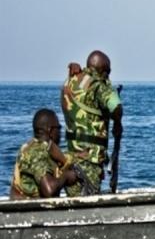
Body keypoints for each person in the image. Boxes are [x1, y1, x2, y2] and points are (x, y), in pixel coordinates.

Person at [61, 50, 123, 196]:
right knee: (89, 202)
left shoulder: (69, 82)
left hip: (70, 158)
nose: (108, 77)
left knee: (75, 201)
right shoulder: (97, 85)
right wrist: (117, 120)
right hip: (89, 162)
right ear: (102, 70)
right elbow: (116, 107)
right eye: (107, 72)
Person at [9, 109, 79, 199]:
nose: (60, 132)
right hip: (30, 208)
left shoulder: (31, 147)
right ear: (50, 130)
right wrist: (66, 176)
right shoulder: (37, 151)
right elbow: (49, 190)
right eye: (59, 128)